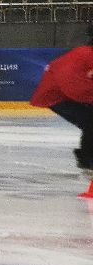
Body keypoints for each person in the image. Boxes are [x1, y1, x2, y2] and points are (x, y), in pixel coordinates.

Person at [30, 25, 93, 173]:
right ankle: (86, 159)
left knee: (90, 122)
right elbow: (72, 84)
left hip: (63, 93)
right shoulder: (84, 54)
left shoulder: (84, 53)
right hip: (58, 96)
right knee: (91, 122)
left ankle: (86, 158)